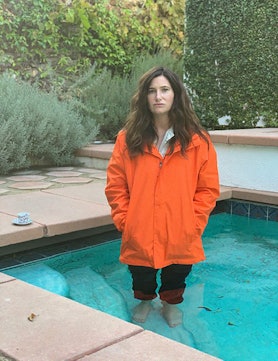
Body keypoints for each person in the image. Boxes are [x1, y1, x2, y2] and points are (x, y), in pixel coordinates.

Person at [105, 66, 219, 327]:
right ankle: (144, 300)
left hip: (181, 225)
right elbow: (115, 184)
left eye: (164, 90)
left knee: (177, 271)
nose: (158, 96)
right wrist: (125, 220)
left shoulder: (198, 141)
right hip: (139, 224)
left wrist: (194, 223)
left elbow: (208, 189)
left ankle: (170, 304)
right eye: (152, 91)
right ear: (144, 97)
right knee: (141, 271)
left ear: (176, 95)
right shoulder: (127, 139)